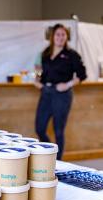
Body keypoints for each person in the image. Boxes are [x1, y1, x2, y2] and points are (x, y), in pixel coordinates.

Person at [34, 24, 87, 160]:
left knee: (58, 131)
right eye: (58, 34)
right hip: (46, 92)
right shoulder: (45, 53)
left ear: (66, 37)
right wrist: (37, 80)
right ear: (52, 36)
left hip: (62, 95)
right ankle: (49, 155)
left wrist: (68, 84)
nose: (60, 37)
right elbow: (40, 72)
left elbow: (82, 75)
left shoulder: (71, 55)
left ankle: (58, 163)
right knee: (40, 128)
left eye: (63, 35)